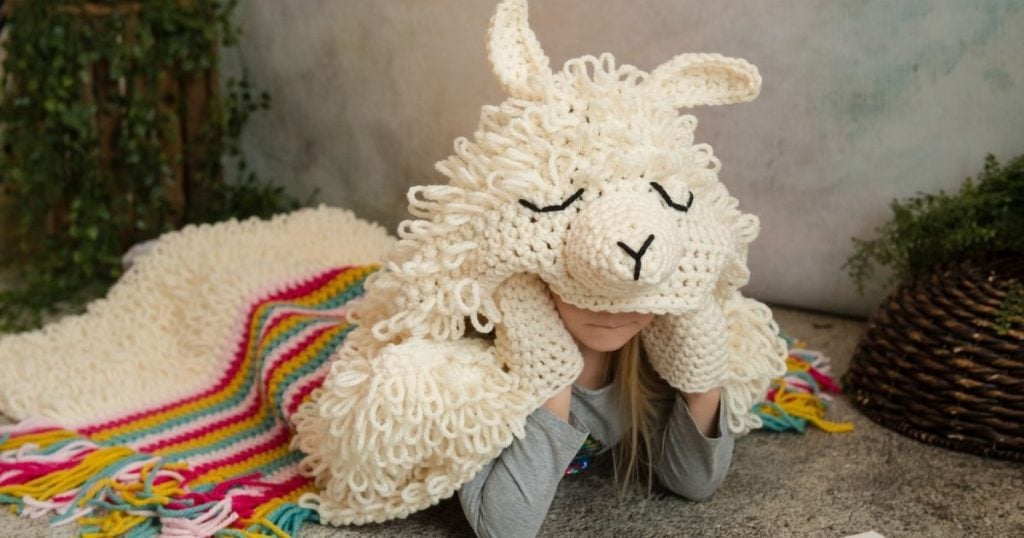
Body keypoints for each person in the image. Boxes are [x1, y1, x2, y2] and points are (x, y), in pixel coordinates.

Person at [458, 284, 734, 538]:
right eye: (586, 281)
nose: (610, 304)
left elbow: (693, 484)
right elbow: (502, 530)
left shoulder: (649, 358)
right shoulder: (476, 373)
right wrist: (553, 381)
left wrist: (702, 382)